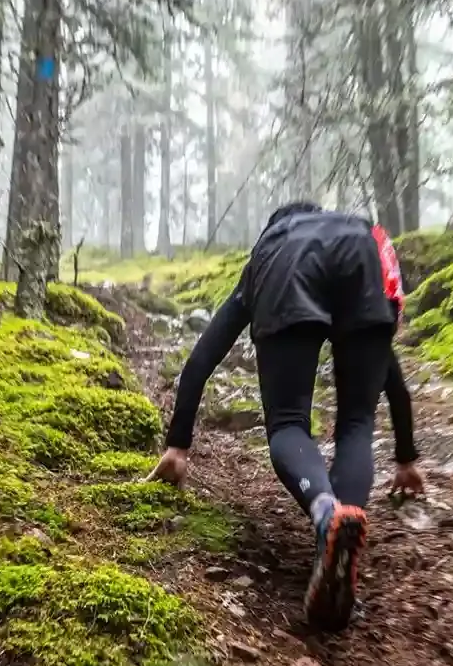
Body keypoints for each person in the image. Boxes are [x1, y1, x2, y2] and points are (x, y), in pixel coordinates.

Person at [148, 202, 426, 630]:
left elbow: (203, 356)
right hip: (360, 256)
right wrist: (406, 458)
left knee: (289, 423)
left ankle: (325, 513)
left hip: (288, 272)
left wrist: (178, 444)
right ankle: (342, 535)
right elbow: (394, 379)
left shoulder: (271, 247)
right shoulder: (349, 229)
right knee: (357, 423)